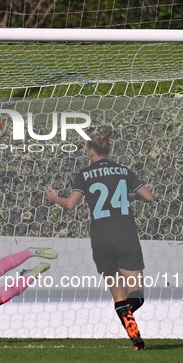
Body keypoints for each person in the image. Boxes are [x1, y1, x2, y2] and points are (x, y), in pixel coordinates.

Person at [45, 126, 154, 350]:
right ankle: (132, 321)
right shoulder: (124, 171)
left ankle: (138, 342)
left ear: (89, 150)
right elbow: (149, 197)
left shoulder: (84, 175)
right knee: (136, 295)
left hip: (101, 241)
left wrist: (54, 198)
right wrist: (129, 195)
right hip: (126, 237)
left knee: (119, 298)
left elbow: (69, 204)